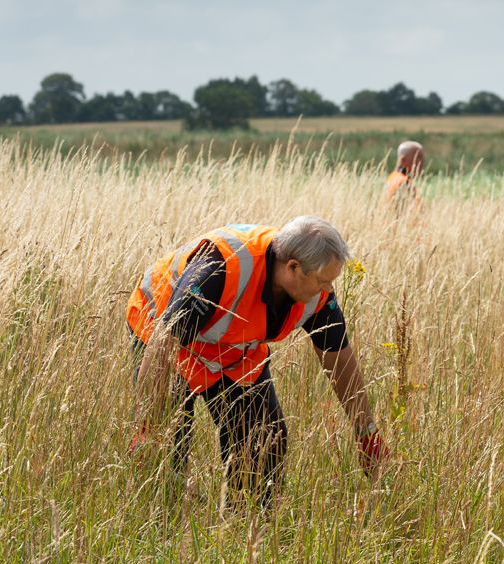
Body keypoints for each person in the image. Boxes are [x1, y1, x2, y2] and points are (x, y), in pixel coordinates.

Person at [126, 216, 389, 510]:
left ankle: (246, 534)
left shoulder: (315, 293)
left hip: (231, 351)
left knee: (264, 442)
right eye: (323, 281)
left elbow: (339, 360)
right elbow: (164, 344)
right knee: (165, 450)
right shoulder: (221, 268)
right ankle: (164, 520)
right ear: (293, 268)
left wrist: (366, 434)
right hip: (164, 337)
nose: (329, 290)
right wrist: (148, 425)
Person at [382, 140, 424, 208]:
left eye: (422, 157)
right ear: (403, 160)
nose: (422, 162)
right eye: (418, 157)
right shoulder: (403, 182)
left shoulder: (392, 177)